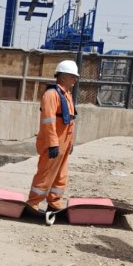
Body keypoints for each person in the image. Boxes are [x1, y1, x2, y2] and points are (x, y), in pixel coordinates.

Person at [28, 60, 78, 212]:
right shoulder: (51, 94)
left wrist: (70, 143)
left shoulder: (66, 94)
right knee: (46, 173)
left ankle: (54, 203)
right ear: (62, 77)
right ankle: (33, 203)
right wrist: (53, 143)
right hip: (54, 142)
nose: (75, 79)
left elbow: (68, 120)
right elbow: (48, 121)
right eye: (72, 76)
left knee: (60, 175)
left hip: (64, 142)